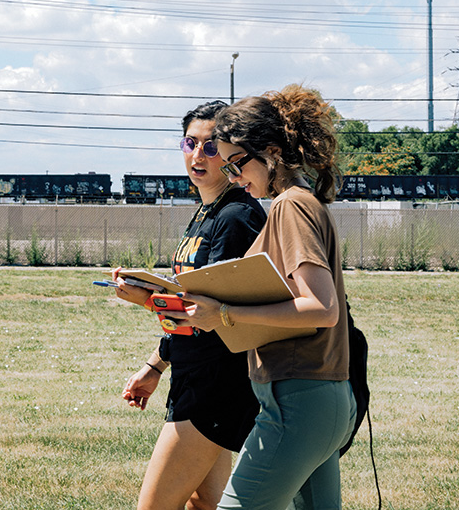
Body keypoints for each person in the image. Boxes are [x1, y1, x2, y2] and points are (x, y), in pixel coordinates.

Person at [175, 84, 356, 510]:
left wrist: (225, 313)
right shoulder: (300, 202)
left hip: (298, 402)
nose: (234, 177)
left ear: (272, 152)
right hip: (321, 398)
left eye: (237, 163)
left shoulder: (290, 206)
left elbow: (322, 308)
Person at [112, 100, 266, 510]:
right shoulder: (204, 213)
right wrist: (155, 365)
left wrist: (148, 300)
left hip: (216, 384)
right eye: (190, 143)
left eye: (211, 146)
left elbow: (212, 313)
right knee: (205, 504)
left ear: (231, 154)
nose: (198, 155)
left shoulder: (235, 217)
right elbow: (187, 301)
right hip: (194, 374)